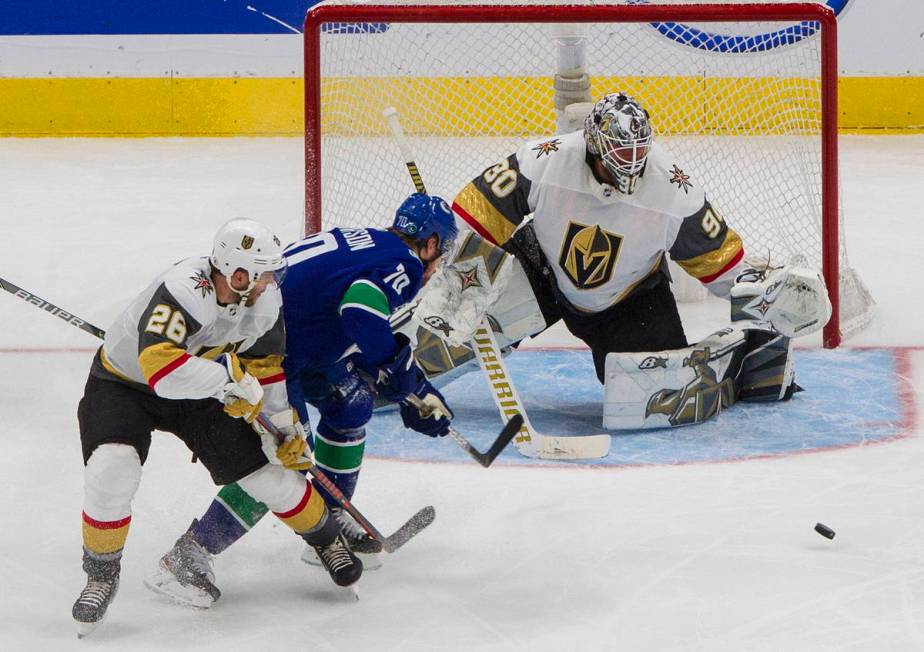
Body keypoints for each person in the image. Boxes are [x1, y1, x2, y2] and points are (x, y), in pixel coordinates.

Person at [407, 92, 831, 428]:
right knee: (440, 334)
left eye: (637, 152)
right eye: (619, 153)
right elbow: (477, 213)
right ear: (593, 145)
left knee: (650, 403)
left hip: (632, 297)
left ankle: (744, 359)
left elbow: (721, 266)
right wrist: (447, 267)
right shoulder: (545, 160)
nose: (631, 164)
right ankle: (380, 366)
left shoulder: (673, 192)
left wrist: (767, 297)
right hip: (543, 270)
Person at [145, 193, 458, 608]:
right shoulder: (407, 264)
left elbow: (339, 311)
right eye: (444, 250)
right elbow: (361, 311)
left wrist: (407, 387)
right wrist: (406, 381)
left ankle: (326, 527)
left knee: (352, 404)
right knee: (283, 458)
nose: (439, 264)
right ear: (432, 244)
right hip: (269, 351)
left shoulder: (371, 240)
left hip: (301, 344)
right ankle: (187, 556)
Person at [72, 218, 363, 637]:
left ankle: (326, 538)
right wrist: (227, 377)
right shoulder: (184, 288)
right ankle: (100, 574)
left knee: (273, 477)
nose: (271, 282)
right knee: (112, 469)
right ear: (236, 273)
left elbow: (265, 368)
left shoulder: (265, 301)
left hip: (202, 388)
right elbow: (162, 372)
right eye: (263, 273)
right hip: (123, 384)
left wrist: (283, 428)